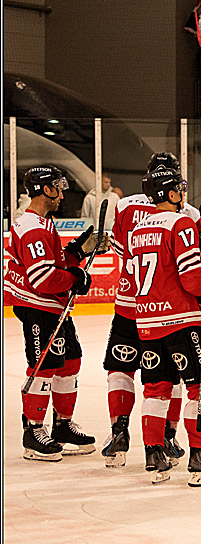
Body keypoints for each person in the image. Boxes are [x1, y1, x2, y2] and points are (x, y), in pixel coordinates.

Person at [101, 153, 201, 468]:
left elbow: (125, 251)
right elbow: (189, 270)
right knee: (195, 380)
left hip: (139, 310)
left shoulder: (133, 214)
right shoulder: (185, 215)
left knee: (139, 377)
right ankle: (185, 444)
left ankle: (138, 442)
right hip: (177, 314)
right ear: (171, 187)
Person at [6, 166, 98, 461]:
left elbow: (55, 261)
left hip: (52, 306)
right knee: (43, 366)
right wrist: (76, 277)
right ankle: (33, 433)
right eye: (58, 186)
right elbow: (44, 278)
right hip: (38, 307)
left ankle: (61, 426)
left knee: (70, 361)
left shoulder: (42, 224)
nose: (62, 192)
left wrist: (77, 252)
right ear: (45, 189)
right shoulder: (32, 227)